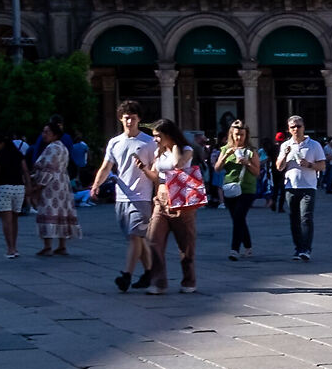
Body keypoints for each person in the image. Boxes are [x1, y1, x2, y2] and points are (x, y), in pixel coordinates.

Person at [91, 101, 158, 293]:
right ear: (121, 118)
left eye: (133, 118)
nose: (129, 121)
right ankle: (149, 272)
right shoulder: (115, 142)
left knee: (135, 236)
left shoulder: (148, 142)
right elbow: (106, 167)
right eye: (126, 117)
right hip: (121, 196)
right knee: (139, 239)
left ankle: (126, 275)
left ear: (139, 120)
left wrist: (158, 193)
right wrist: (96, 185)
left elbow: (156, 170)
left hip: (142, 197)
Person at [137, 118, 206, 294]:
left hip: (181, 201)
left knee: (186, 245)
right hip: (161, 199)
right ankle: (158, 283)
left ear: (168, 135)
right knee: (154, 240)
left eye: (158, 136)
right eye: (154, 136)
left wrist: (174, 146)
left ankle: (189, 281)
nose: (155, 140)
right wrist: (144, 168)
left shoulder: (186, 150)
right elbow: (156, 177)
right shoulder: (159, 153)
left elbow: (178, 165)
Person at [277, 116, 327, 260]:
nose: (296, 129)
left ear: (304, 127)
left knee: (306, 217)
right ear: (288, 129)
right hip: (291, 187)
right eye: (292, 127)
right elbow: (279, 167)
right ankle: (298, 248)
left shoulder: (314, 145)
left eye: (298, 126)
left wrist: (309, 165)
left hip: (308, 186)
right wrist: (285, 154)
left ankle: (306, 249)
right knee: (294, 218)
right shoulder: (285, 145)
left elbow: (322, 166)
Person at [213, 118, 263, 260]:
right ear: (231, 134)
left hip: (247, 188)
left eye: (242, 134)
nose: (239, 137)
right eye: (236, 134)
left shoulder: (251, 151)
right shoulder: (225, 149)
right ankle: (248, 246)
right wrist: (225, 156)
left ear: (246, 135)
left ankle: (234, 249)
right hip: (230, 188)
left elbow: (257, 172)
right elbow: (217, 168)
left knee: (239, 217)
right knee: (237, 219)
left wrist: (247, 163)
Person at [30, 119, 79, 256]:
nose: (44, 134)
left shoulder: (52, 148)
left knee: (48, 212)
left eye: (47, 132)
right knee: (62, 213)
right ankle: (62, 245)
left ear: (55, 134)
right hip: (62, 183)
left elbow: (48, 169)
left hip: (51, 185)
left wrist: (38, 186)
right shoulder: (62, 147)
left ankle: (48, 246)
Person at [0, 133, 29, 257]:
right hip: (19, 187)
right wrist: (28, 185)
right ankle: (15, 247)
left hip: (3, 187)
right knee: (15, 220)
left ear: (1, 143)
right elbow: (25, 171)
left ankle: (10, 248)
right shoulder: (18, 154)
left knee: (6, 221)